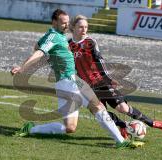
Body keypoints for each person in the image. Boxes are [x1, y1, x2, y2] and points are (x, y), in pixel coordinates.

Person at [11, 9, 144, 148]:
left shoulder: (56, 35)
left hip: (64, 83)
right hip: (71, 80)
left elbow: (37, 46)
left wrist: (48, 57)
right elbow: (39, 52)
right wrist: (23, 68)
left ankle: (31, 129)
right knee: (97, 107)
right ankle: (121, 142)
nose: (66, 26)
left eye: (68, 23)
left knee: (70, 127)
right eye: (63, 23)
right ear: (54, 22)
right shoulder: (54, 37)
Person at [67, 15, 162, 136]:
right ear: (73, 27)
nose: (84, 30)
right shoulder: (68, 44)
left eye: (86, 27)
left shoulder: (90, 42)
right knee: (102, 113)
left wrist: (107, 79)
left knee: (123, 108)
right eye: (81, 27)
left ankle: (152, 122)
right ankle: (123, 126)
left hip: (101, 82)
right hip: (87, 87)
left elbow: (99, 61)